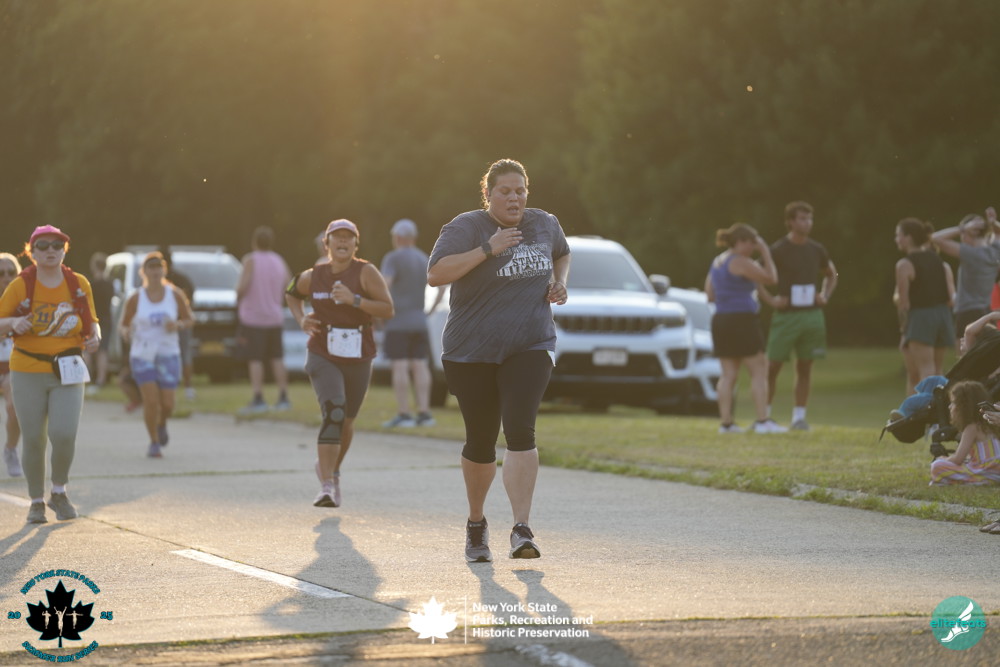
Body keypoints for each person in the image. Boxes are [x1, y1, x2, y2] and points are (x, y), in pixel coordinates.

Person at [427, 158, 570, 563]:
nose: (514, 198)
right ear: (488, 194)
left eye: (520, 190)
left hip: (531, 343)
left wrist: (559, 282)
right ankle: (476, 523)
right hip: (471, 350)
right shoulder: (466, 227)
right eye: (505, 191)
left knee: (521, 430)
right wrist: (488, 249)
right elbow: (436, 274)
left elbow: (563, 253)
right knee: (481, 440)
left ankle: (522, 528)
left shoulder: (544, 224)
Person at [285, 219, 393, 508]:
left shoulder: (366, 272)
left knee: (346, 421)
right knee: (334, 410)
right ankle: (326, 487)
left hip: (358, 354)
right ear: (327, 244)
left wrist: (355, 300)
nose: (342, 241)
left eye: (348, 237)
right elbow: (291, 292)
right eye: (337, 237)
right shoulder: (314, 275)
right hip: (322, 352)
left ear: (356, 244)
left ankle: (332, 471)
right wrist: (301, 319)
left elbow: (387, 309)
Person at [0, 225, 100, 523]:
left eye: (57, 245)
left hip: (68, 367)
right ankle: (35, 501)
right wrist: (13, 323)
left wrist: (96, 336)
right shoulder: (20, 285)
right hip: (27, 368)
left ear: (64, 250)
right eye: (42, 245)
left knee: (64, 433)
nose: (50, 250)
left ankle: (58, 491)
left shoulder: (78, 283)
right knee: (33, 438)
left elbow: (92, 321)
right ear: (31, 252)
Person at [760, 201, 838, 431]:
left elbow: (831, 274)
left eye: (810, 219)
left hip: (811, 315)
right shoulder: (778, 249)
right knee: (772, 366)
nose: (807, 223)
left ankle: (799, 418)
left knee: (805, 367)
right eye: (803, 219)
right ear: (791, 222)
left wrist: (825, 295)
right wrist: (771, 300)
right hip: (786, 316)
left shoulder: (816, 249)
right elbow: (756, 275)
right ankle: (764, 417)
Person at [704, 223, 785, 434]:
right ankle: (763, 422)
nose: (753, 247)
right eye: (752, 243)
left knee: (728, 374)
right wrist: (765, 252)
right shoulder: (740, 261)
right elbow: (771, 278)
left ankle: (726, 424)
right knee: (759, 370)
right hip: (742, 320)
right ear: (740, 242)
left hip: (721, 320)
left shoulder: (718, 261)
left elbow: (710, 295)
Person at [119, 251, 194, 458]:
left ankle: (161, 423)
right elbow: (123, 325)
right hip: (142, 354)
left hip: (168, 353)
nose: (155, 271)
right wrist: (126, 332)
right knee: (151, 401)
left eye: (158, 267)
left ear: (164, 270)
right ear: (144, 272)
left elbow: (189, 319)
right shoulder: (136, 298)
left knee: (168, 404)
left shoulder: (174, 294)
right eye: (150, 268)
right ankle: (153, 442)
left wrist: (178, 325)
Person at [380, 218, 440, 428]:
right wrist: (430, 311)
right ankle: (424, 413)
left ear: (397, 237)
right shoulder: (424, 258)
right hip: (419, 320)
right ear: (413, 237)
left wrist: (381, 310)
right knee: (420, 365)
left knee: (400, 366)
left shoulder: (392, 258)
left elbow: (385, 285)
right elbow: (441, 287)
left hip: (398, 321)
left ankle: (404, 414)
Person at [894, 218, 955, 396]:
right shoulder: (941, 263)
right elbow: (950, 299)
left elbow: (904, 303)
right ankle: (937, 411)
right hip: (943, 316)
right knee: (937, 370)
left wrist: (904, 331)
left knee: (925, 370)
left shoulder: (904, 264)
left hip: (921, 317)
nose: (896, 239)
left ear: (908, 238)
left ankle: (925, 411)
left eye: (898, 235)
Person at [236, 226, 293, 414]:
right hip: (274, 316)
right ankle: (283, 396)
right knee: (277, 357)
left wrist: (238, 296)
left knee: (255, 359)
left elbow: (242, 287)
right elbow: (289, 284)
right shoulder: (279, 261)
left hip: (253, 317)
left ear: (254, 242)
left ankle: (258, 397)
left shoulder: (250, 260)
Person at [930, 209, 1000, 353]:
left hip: (968, 312)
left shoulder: (971, 253)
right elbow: (998, 233)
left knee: (964, 359)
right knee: (988, 358)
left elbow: (935, 238)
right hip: (986, 311)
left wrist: (962, 228)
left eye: (963, 233)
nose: (961, 237)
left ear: (971, 233)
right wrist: (993, 223)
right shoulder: (995, 251)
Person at [931, 380, 1000, 486]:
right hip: (997, 471)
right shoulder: (991, 425)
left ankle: (976, 481)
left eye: (953, 402)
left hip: (985, 471)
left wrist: (944, 458)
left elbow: (958, 459)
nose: (950, 407)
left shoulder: (972, 428)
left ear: (964, 407)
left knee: (937, 465)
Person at [159, 246, 197, 400]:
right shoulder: (183, 280)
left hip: (165, 323)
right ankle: (188, 386)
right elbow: (191, 300)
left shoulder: (159, 282)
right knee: (185, 353)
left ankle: (166, 384)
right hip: (181, 321)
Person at [1, 252, 23, 477]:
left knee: (14, 409)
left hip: (11, 365)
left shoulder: (23, 301)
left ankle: (10, 449)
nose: (6, 277)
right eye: (1, 273)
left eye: (11, 272)